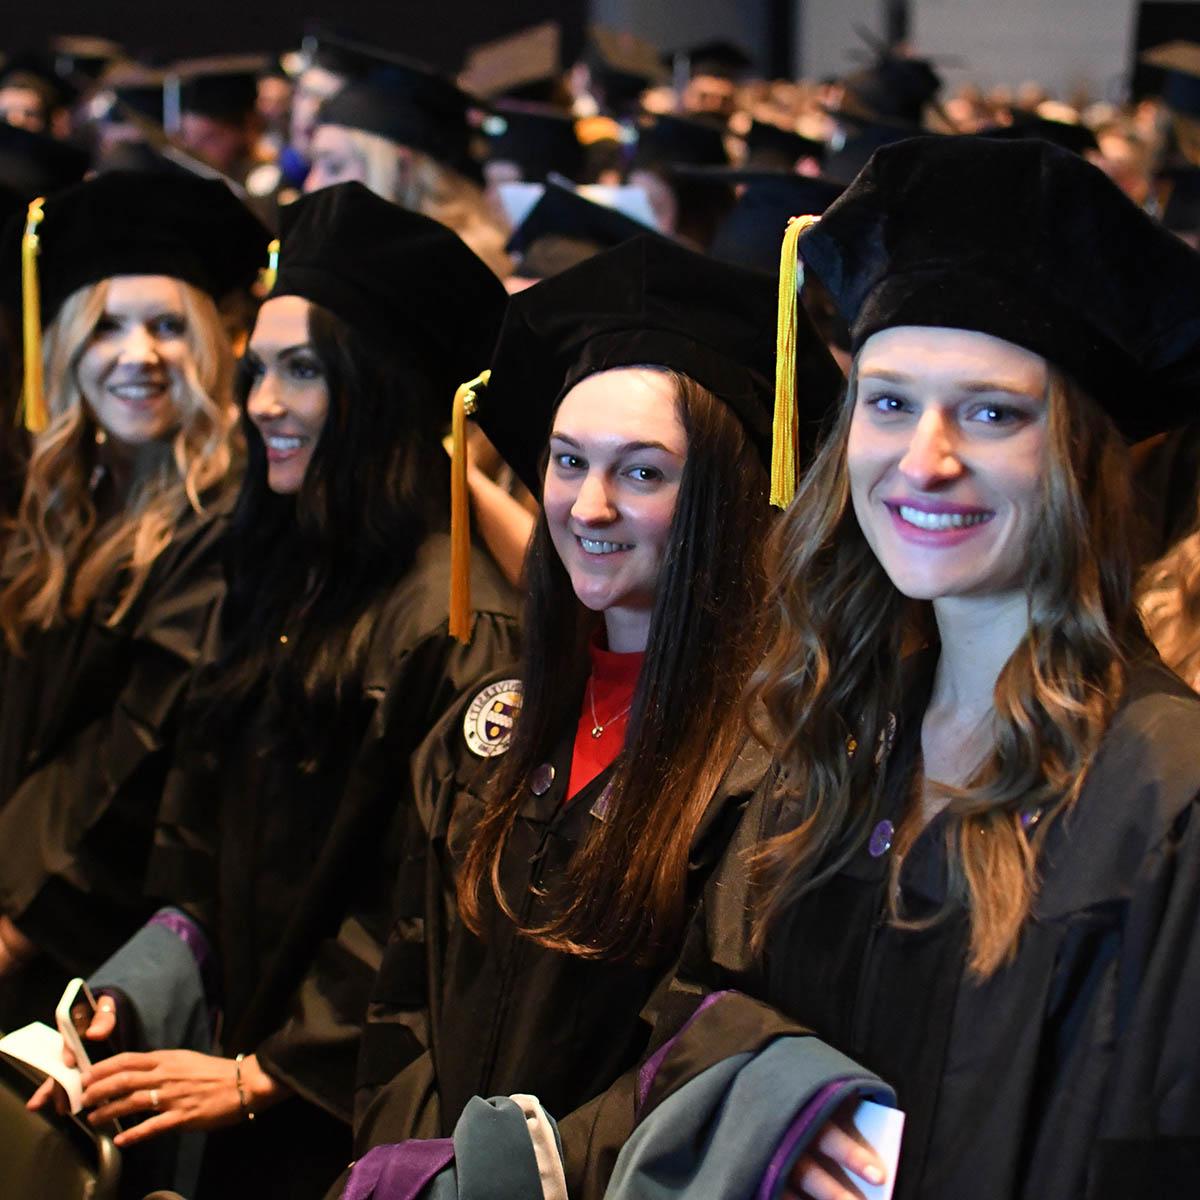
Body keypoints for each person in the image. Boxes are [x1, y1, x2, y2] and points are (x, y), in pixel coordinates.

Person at [559, 136, 1200, 1200]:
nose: (924, 456)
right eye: (891, 401)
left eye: (992, 412)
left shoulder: (1166, 802)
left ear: (1081, 454)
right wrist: (776, 1104)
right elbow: (699, 1008)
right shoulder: (840, 729)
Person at [347, 232, 845, 1177]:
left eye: (643, 472)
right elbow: (402, 999)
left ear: (724, 500)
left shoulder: (774, 766)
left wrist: (497, 1183)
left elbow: (707, 1052)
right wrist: (412, 1167)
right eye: (568, 462)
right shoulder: (490, 725)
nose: (587, 505)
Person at [61, 182, 522, 1200]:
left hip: (337, 1115)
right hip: (228, 1070)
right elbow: (199, 826)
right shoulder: (286, 566)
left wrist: (272, 1072)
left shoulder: (454, 623)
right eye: (258, 370)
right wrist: (152, 978)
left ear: (379, 391)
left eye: (301, 372)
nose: (261, 402)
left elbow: (422, 911)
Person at [0, 171, 265, 1026]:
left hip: (100, 946)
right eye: (107, 325)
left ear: (218, 343)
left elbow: (136, 752)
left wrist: (15, 921)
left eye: (168, 327)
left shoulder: (226, 520)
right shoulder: (70, 501)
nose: (138, 354)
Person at [304, 60, 511, 278]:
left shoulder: (455, 276)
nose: (311, 185)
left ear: (401, 168)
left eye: (335, 167)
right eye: (313, 165)